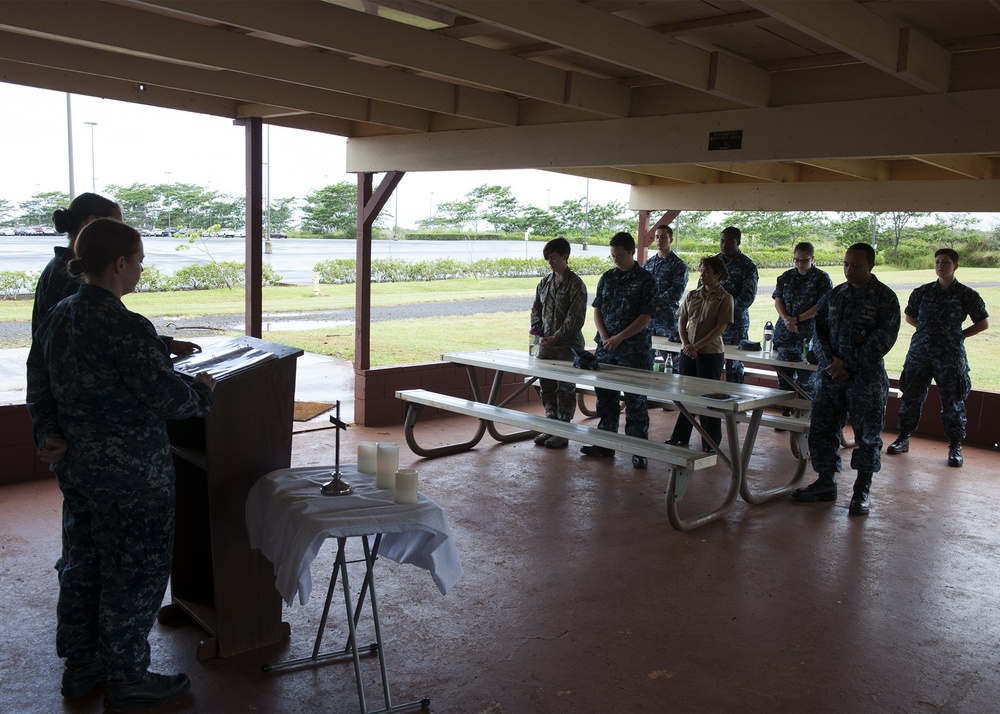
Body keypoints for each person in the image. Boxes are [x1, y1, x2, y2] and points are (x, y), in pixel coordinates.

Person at [26, 219, 217, 711]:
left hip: (77, 471)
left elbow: (38, 379)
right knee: (135, 574)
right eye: (139, 262)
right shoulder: (125, 325)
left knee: (83, 566)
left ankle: (81, 665)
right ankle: (128, 677)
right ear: (119, 264)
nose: (139, 270)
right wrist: (202, 393)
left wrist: (46, 430)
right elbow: (165, 397)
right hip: (133, 477)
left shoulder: (61, 314)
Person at [792, 243, 900, 516]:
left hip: (865, 378)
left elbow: (884, 339)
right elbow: (819, 333)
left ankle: (862, 490)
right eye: (846, 264)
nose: (849, 270)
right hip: (830, 377)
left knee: (867, 435)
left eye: (857, 265)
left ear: (871, 266)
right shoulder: (834, 296)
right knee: (822, 429)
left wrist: (848, 365)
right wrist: (831, 362)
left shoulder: (884, 298)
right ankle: (825, 481)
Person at [886, 248, 989, 467]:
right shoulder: (922, 292)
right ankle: (903, 438)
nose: (940, 266)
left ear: (956, 266)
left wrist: (959, 336)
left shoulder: (966, 294)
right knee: (911, 398)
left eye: (945, 262)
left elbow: (983, 322)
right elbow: (909, 316)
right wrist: (925, 331)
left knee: (952, 402)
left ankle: (954, 446)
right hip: (919, 354)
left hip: (950, 356)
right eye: (937, 262)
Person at [580, 231, 656, 469]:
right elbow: (597, 309)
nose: (616, 260)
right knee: (605, 398)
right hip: (606, 348)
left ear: (632, 252)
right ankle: (605, 443)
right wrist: (604, 336)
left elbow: (646, 316)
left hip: (634, 350)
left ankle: (638, 449)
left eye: (620, 256)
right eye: (613, 256)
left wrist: (620, 337)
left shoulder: (646, 280)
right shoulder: (608, 277)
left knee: (636, 401)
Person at [665, 256, 734, 451]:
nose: (702, 275)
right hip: (688, 351)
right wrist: (687, 344)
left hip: (710, 354)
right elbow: (682, 321)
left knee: (708, 398)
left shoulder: (725, 298)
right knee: (686, 396)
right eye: (701, 270)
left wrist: (697, 346)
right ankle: (680, 436)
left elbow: (720, 327)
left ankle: (710, 442)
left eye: (706, 271)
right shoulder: (693, 295)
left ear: (718, 275)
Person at [32, 193, 123, 335]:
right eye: (115, 226)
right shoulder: (77, 273)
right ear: (91, 222)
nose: (120, 234)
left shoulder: (59, 265)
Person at [529, 237, 588, 448]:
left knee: (565, 388)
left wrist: (557, 336)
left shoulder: (575, 284)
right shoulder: (544, 282)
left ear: (565, 256)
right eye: (548, 259)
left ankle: (563, 431)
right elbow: (536, 308)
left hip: (567, 346)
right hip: (546, 345)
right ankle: (550, 426)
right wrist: (537, 331)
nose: (550, 262)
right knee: (546, 385)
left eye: (554, 258)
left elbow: (576, 318)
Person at [771, 242, 833, 401]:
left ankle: (803, 416)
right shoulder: (786, 276)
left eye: (804, 260)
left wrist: (797, 319)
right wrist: (787, 319)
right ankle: (785, 412)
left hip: (808, 334)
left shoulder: (822, 278)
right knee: (784, 377)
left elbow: (821, 305)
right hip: (785, 332)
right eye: (796, 260)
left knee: (807, 379)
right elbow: (778, 300)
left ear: (812, 258)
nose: (800, 264)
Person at [714, 226, 758, 384]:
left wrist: (724, 312)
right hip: (711, 322)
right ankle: (710, 404)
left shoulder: (747, 266)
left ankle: (735, 406)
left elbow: (747, 297)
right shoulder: (714, 263)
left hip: (735, 322)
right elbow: (702, 288)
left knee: (734, 366)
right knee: (713, 364)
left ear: (738, 242)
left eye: (729, 241)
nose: (724, 245)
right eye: (722, 241)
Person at [643, 223, 689, 367]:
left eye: (663, 237)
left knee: (673, 362)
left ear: (670, 240)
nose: (659, 240)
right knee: (645, 359)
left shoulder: (678, 265)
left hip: (667, 321)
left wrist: (653, 304)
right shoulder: (649, 264)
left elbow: (676, 292)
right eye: (657, 237)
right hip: (647, 321)